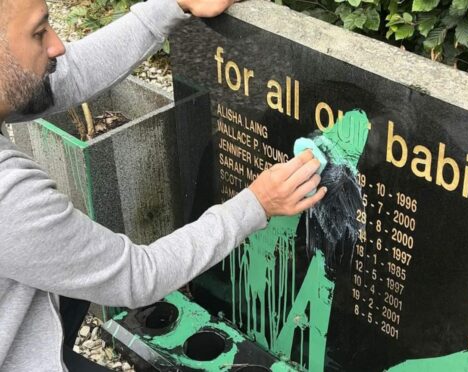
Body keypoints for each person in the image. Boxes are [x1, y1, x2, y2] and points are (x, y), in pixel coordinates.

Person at [0, 0, 327, 370]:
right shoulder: (7, 194)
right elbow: (137, 276)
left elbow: (66, 75)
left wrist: (174, 4)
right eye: (39, 32)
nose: (58, 46)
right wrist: (257, 204)